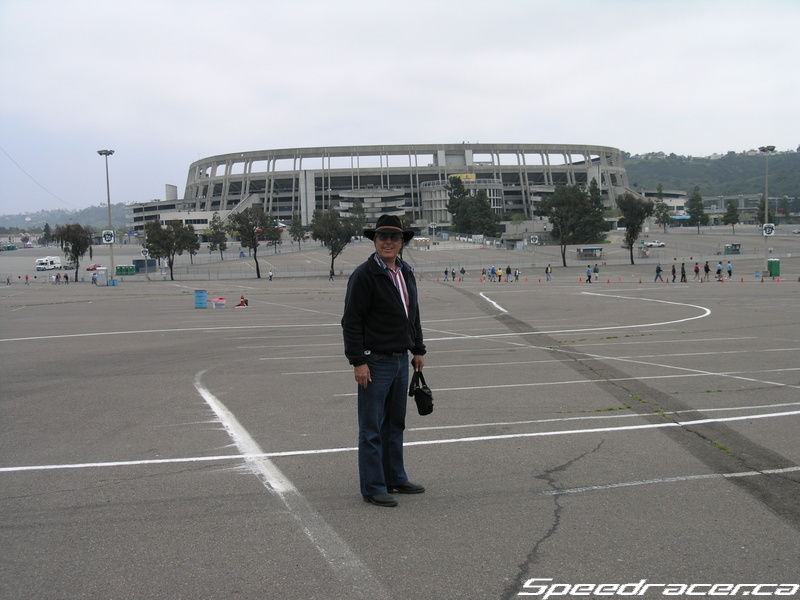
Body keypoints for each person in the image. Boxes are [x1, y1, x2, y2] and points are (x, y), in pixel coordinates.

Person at [342, 215, 427, 508]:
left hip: (401, 360)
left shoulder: (406, 272)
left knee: (395, 423)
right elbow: (351, 322)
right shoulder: (364, 275)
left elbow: (412, 315)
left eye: (394, 237)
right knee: (372, 428)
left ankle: (395, 477)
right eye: (382, 237)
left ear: (402, 242)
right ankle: (373, 486)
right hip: (375, 361)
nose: (388, 242)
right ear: (375, 241)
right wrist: (358, 361)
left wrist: (418, 349)